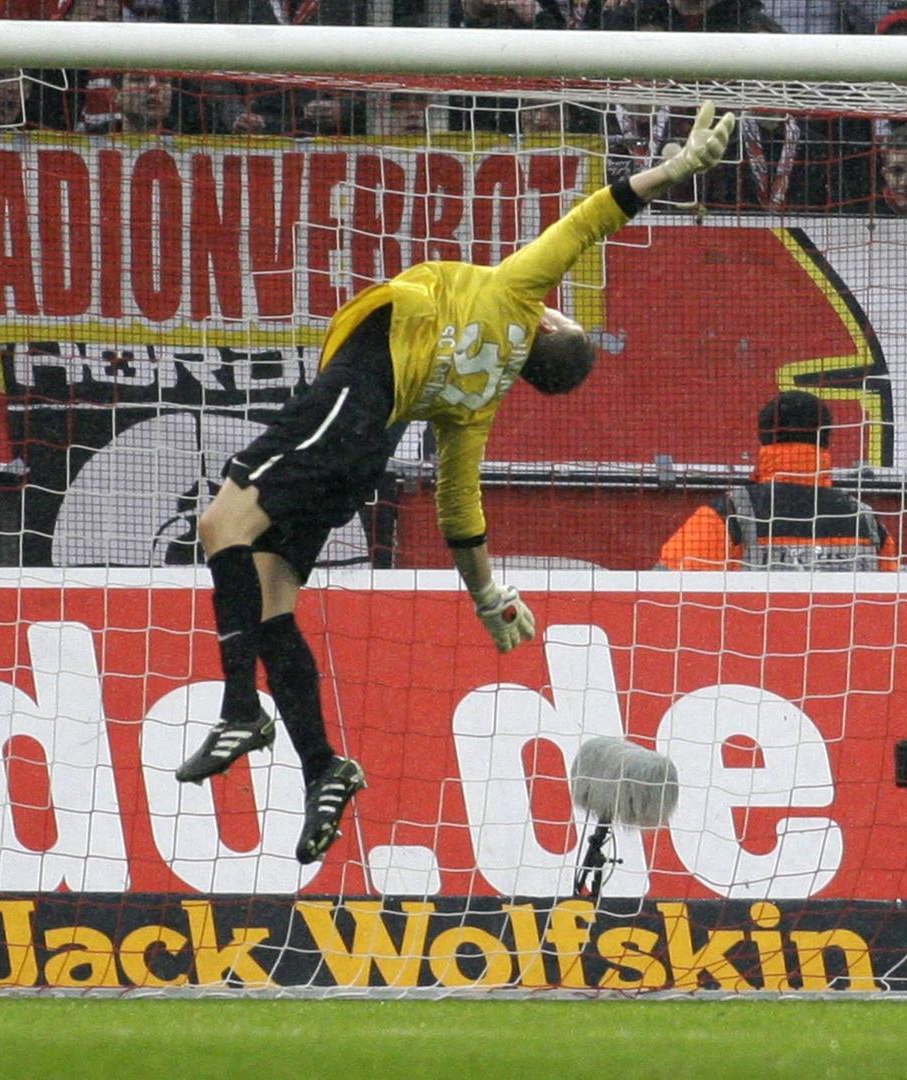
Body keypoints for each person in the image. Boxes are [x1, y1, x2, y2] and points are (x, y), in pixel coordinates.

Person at [177, 102, 739, 865]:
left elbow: (592, 218)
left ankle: (241, 707)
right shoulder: (476, 404)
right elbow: (458, 510)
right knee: (274, 601)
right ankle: (323, 767)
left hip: (353, 396)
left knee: (219, 528)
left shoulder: (515, 293)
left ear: (547, 327)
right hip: (368, 448)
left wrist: (674, 170)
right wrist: (487, 597)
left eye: (559, 314)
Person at [659, 391, 897, 572]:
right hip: (848, 637)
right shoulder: (866, 520)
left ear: (763, 438)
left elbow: (665, 592)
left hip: (754, 635)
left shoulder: (730, 513)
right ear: (826, 439)